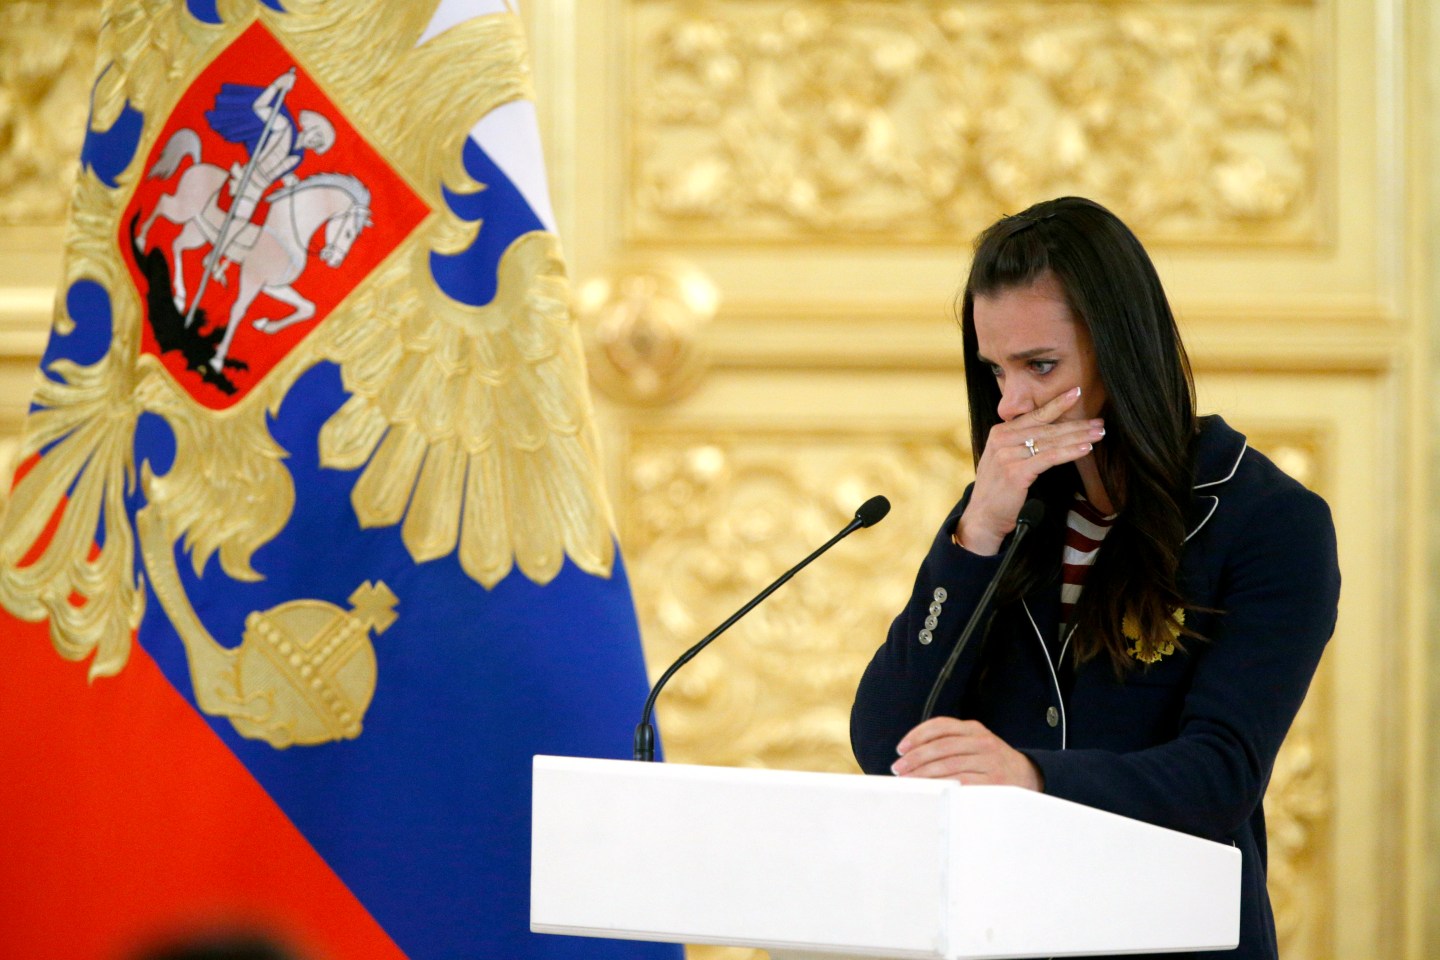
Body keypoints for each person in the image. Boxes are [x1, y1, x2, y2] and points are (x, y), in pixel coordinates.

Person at [850, 196, 1340, 960]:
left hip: (1169, 938)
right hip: (1002, 934)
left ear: (1123, 348)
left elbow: (1219, 776)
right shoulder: (1004, 513)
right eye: (995, 370)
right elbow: (886, 740)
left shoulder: (1271, 521)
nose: (1010, 403)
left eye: (1039, 366)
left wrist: (1030, 777)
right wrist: (977, 534)